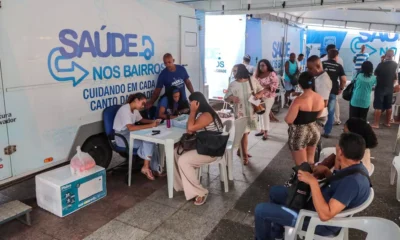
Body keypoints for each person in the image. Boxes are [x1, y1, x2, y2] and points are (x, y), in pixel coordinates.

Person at [255, 133, 371, 240]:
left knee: (261, 211)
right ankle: (277, 234)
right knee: (275, 192)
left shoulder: (352, 183)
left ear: (340, 152)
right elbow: (338, 188)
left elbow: (325, 215)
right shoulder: (356, 169)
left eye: (337, 146)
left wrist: (312, 182)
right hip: (314, 204)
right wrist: (326, 172)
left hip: (318, 221)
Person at [173, 92, 223, 206]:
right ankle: (182, 185)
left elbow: (190, 128)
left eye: (191, 103)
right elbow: (190, 131)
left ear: (196, 103)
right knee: (175, 151)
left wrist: (193, 111)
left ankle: (200, 192)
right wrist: (194, 113)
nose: (190, 105)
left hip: (211, 150)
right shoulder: (203, 113)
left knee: (184, 160)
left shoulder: (206, 115)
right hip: (204, 145)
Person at [113, 93, 161, 180]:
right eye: (142, 103)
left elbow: (141, 120)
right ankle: (146, 167)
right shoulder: (125, 110)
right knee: (148, 141)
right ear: (136, 100)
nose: (143, 106)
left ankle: (154, 169)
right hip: (121, 138)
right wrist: (151, 125)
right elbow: (131, 128)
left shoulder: (134, 109)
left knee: (152, 141)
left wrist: (153, 121)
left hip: (131, 134)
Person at [225, 64, 264, 165]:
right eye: (233, 71)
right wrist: (232, 98)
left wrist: (258, 95)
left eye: (235, 71)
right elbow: (226, 97)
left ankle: (240, 150)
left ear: (241, 71)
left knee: (248, 131)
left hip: (252, 111)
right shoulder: (233, 84)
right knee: (244, 133)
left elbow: (261, 90)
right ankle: (244, 155)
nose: (233, 73)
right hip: (240, 112)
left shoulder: (252, 80)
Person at [285, 72, 324, 166]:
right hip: (314, 130)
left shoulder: (298, 100)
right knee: (310, 162)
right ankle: (311, 178)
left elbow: (289, 120)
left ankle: (303, 180)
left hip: (300, 132)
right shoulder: (320, 98)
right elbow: (318, 115)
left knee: (301, 166)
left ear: (300, 84)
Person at [321, 48, 347, 138]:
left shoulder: (322, 64)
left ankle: (316, 128)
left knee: (318, 109)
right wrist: (341, 88)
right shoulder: (338, 66)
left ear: (328, 55)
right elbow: (343, 79)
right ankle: (327, 132)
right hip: (332, 91)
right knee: (331, 112)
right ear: (336, 56)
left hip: (321, 91)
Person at [371, 49, 398, 128]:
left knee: (378, 106)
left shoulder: (381, 64)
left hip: (380, 87)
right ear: (393, 56)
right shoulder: (395, 65)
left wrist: (382, 61)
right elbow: (395, 77)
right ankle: (387, 122)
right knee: (388, 106)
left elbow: (375, 73)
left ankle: (376, 124)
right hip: (389, 88)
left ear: (385, 55)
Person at [254, 59, 279, 140]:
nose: (261, 67)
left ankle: (266, 132)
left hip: (269, 96)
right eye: (260, 65)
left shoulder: (272, 74)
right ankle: (261, 130)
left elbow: (275, 85)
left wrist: (264, 88)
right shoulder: (257, 74)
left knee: (265, 114)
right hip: (259, 96)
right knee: (259, 113)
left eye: (263, 65)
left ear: (267, 65)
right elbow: (253, 84)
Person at [307, 55, 332, 125]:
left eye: (310, 68)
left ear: (318, 66)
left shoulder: (324, 81)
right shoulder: (318, 77)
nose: (308, 71)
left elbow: (324, 102)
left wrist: (314, 117)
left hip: (318, 116)